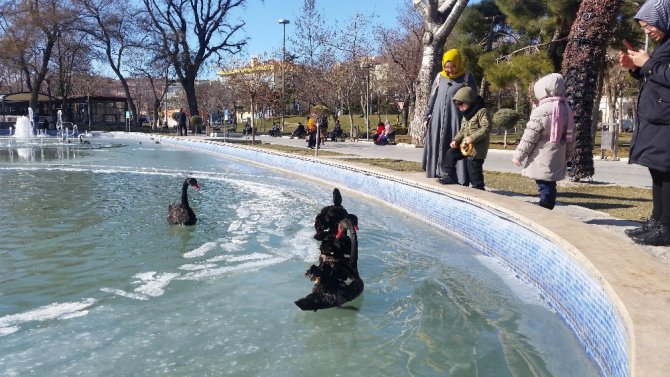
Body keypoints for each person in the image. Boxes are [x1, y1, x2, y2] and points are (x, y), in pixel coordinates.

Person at [619, 0, 670, 245]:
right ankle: (657, 221)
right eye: (643, 27)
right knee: (657, 170)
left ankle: (667, 228)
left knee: (666, 172)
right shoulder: (664, 44)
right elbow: (657, 74)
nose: (647, 31)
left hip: (667, 121)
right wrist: (635, 68)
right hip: (657, 119)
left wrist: (647, 63)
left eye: (649, 25)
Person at [512, 73, 575, 209]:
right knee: (549, 182)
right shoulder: (566, 108)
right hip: (559, 152)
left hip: (542, 154)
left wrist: (519, 156)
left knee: (544, 183)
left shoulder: (542, 110)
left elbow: (530, 135)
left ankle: (546, 206)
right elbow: (571, 135)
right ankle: (547, 203)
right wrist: (568, 154)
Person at [422, 49, 478, 183]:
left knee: (454, 144)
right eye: (447, 67)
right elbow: (433, 97)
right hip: (437, 117)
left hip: (456, 119)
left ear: (458, 64)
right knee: (437, 142)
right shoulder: (439, 77)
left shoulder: (467, 77)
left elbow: (474, 99)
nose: (450, 70)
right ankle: (436, 171)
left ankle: (456, 175)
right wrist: (426, 116)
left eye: (453, 66)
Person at [438, 86, 490, 190]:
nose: (461, 109)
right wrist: (456, 140)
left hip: (477, 150)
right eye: (459, 107)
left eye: (462, 106)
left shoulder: (482, 111)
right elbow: (462, 130)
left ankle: (478, 189)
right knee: (451, 153)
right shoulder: (466, 114)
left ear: (469, 101)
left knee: (474, 172)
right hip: (465, 146)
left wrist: (472, 138)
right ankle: (450, 176)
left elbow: (486, 128)